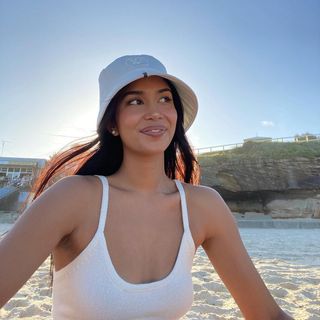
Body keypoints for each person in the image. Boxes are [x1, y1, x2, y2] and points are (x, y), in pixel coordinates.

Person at [0, 54, 293, 319]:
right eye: (135, 101)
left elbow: (267, 315)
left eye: (165, 99)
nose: (155, 112)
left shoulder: (204, 206)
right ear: (112, 123)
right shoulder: (72, 198)